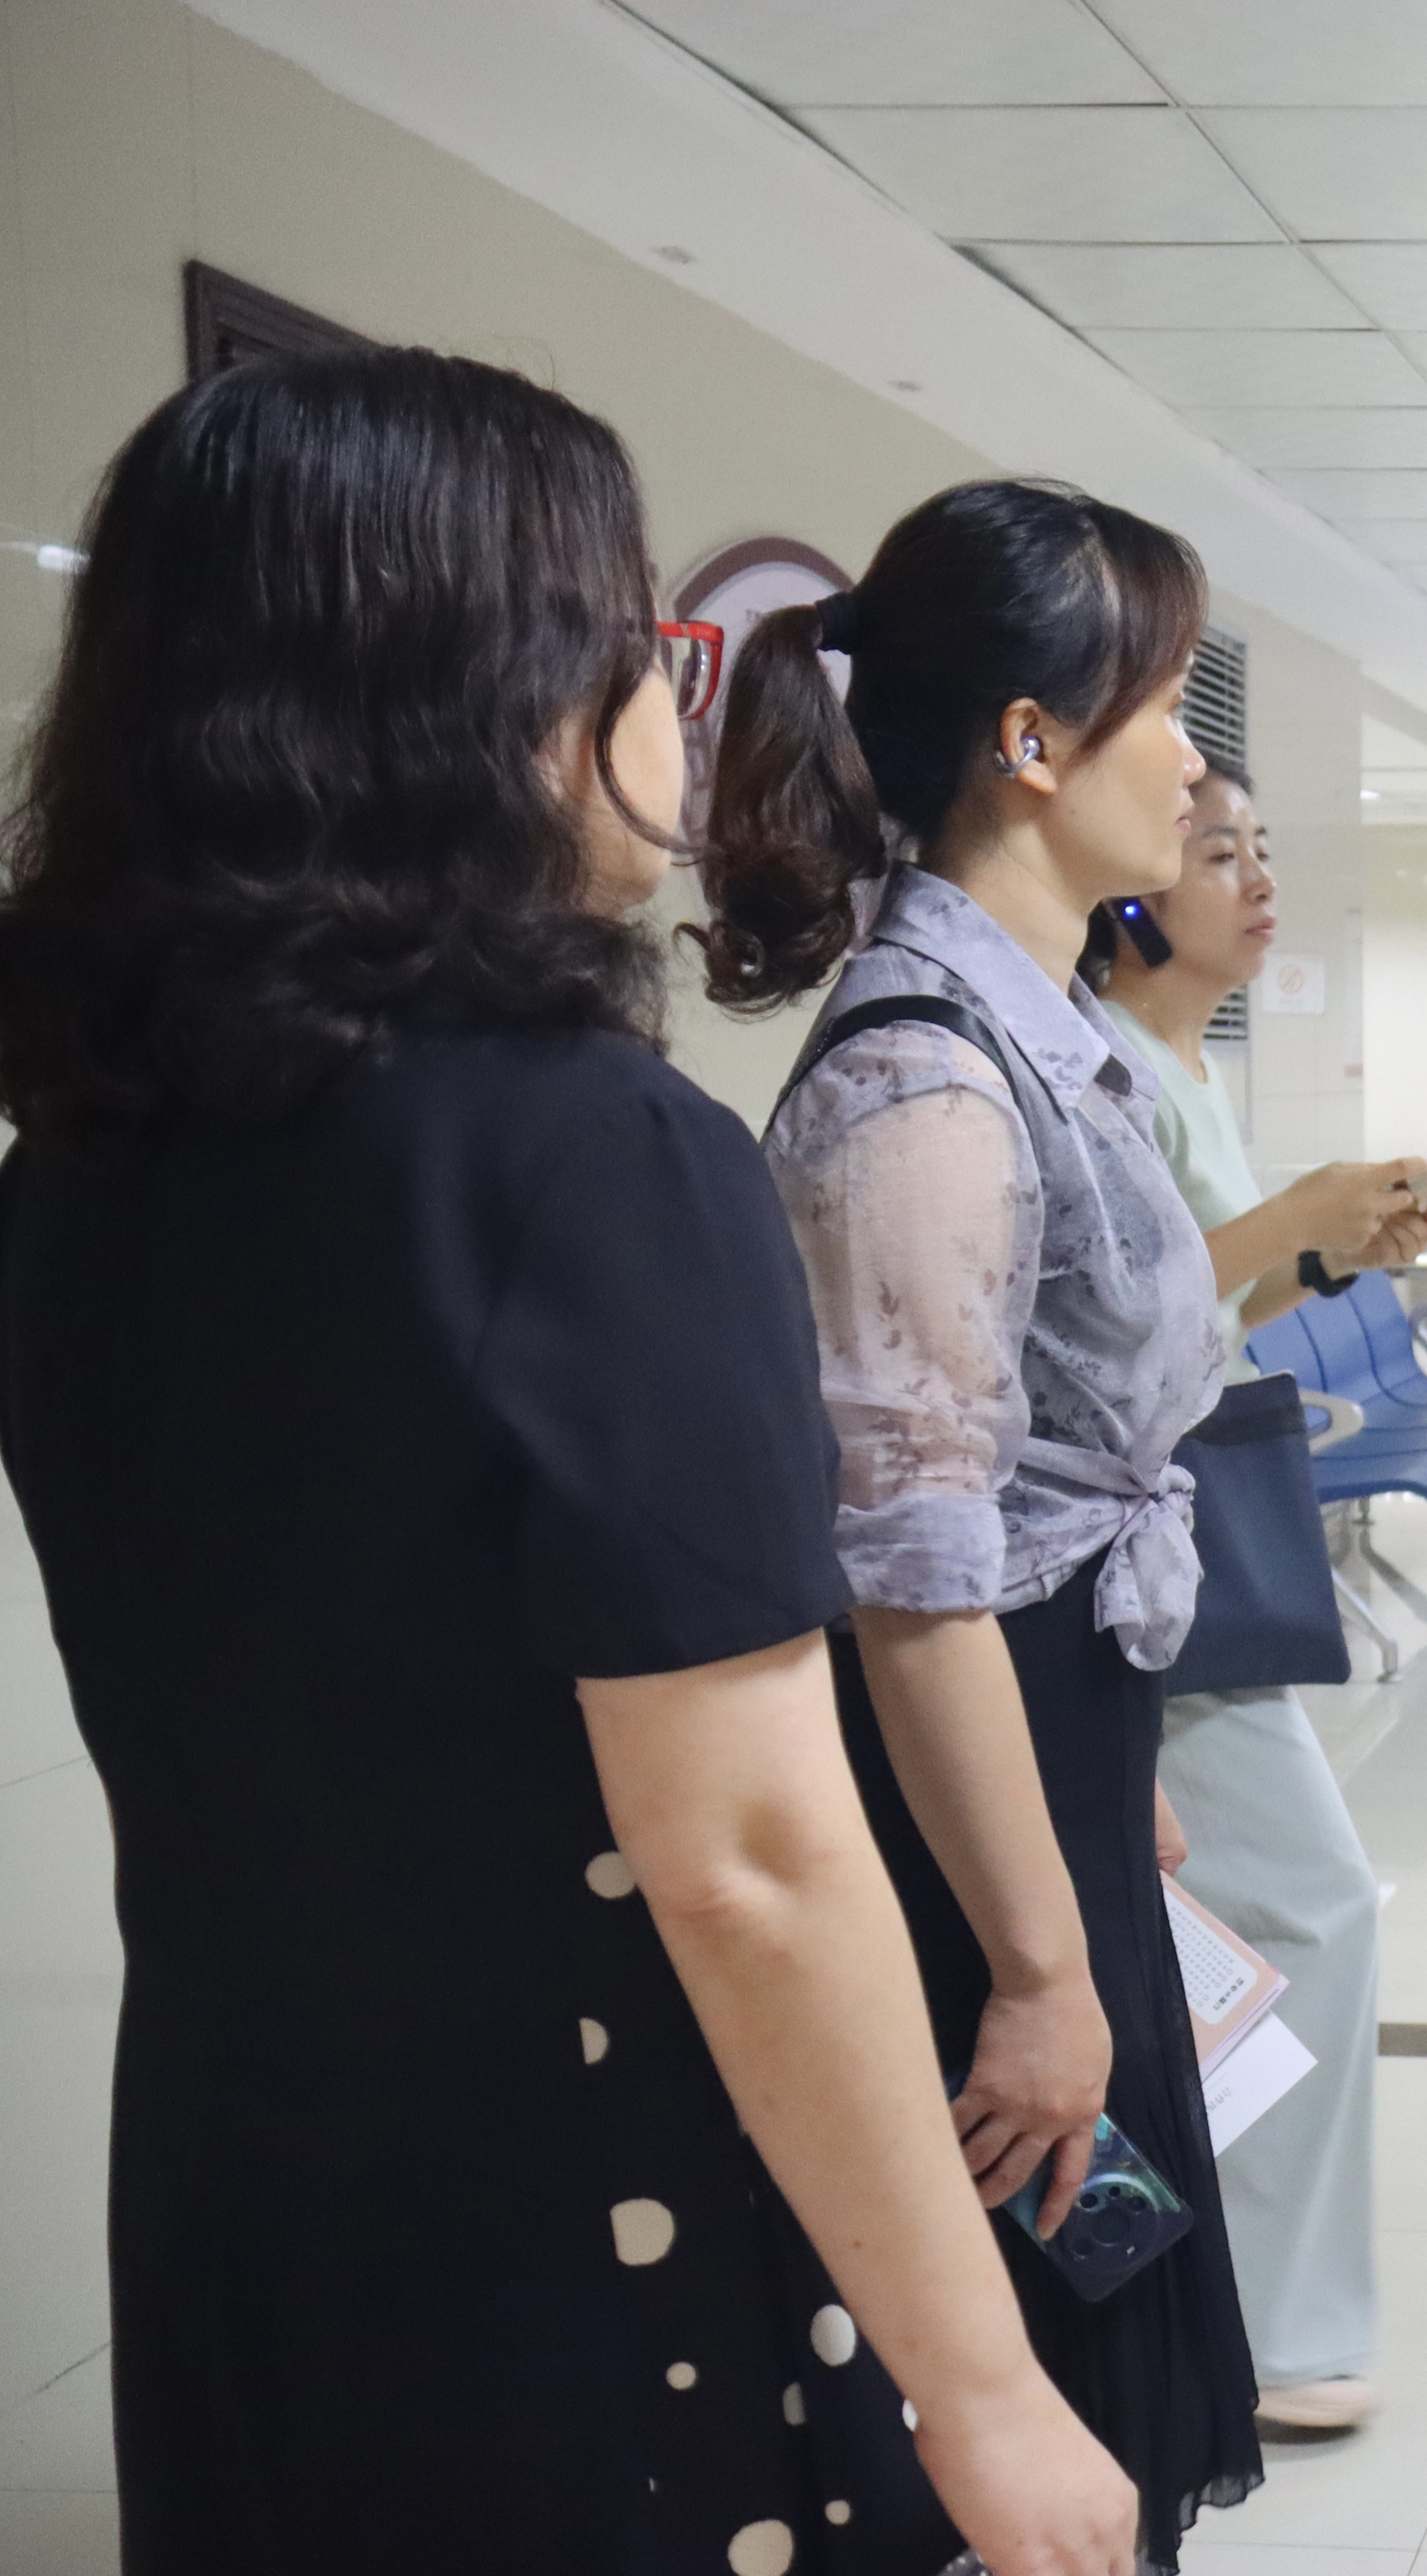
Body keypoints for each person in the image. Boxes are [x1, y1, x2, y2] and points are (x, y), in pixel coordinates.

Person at [0, 351, 1135, 2574]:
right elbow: (747, 1857)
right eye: (644, 643)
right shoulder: (594, 1156)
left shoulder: (79, 1174)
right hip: (598, 2243)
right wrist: (986, 2387)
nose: (672, 704)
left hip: (250, 2196)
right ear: (506, 696)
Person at [695, 478, 1266, 2564]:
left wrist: (1117, 1791)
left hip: (1046, 1771)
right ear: (1030, 742)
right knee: (1018, 2419)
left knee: (1098, 2379)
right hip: (963, 1846)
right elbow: (917, 1588)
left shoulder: (1049, 1034)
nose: (1194, 765)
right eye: (1163, 709)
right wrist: (1036, 1964)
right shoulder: (930, 1084)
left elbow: (1031, 1505)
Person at [1090, 760, 1427, 2441]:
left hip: (1186, 1530)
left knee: (1232, 1925)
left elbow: (1207, 1306)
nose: (1256, 878)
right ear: (1129, 891)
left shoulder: (1184, 1068)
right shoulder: (1103, 1062)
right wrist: (1285, 1227)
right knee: (1310, 1909)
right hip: (1136, 1550)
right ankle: (1277, 2327)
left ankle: (1215, 2293)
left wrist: (1325, 1250)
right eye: (1216, 850)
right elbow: (1120, 1312)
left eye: (1260, 850)